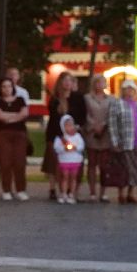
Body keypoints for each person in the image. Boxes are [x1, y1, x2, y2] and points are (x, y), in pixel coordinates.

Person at [43, 71, 87, 201]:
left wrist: (76, 129)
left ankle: (73, 191)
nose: (67, 83)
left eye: (70, 80)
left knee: (75, 163)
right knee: (53, 162)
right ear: (60, 83)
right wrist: (61, 136)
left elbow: (83, 116)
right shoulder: (55, 99)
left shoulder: (78, 97)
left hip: (74, 134)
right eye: (65, 80)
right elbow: (54, 119)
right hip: (56, 134)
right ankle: (53, 189)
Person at [107, 80, 137, 204]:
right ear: (122, 90)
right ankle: (121, 194)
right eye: (127, 89)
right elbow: (112, 124)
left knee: (134, 170)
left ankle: (130, 193)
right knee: (123, 170)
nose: (129, 91)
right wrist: (115, 141)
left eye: (132, 89)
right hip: (124, 143)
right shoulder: (117, 104)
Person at [0, 77, 29, 201]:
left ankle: (21, 190)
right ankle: (6, 190)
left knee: (19, 162)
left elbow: (24, 113)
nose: (7, 89)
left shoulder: (20, 100)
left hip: (19, 134)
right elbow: (0, 115)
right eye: (4, 86)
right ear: (0, 88)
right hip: (4, 134)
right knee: (5, 162)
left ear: (13, 87)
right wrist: (16, 115)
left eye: (9, 86)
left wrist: (10, 117)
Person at [82, 74, 113, 202]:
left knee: (104, 166)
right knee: (92, 164)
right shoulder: (87, 98)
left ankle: (103, 193)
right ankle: (92, 192)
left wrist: (104, 125)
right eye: (97, 82)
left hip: (105, 135)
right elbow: (85, 114)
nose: (100, 85)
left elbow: (111, 115)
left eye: (102, 82)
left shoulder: (111, 99)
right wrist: (93, 126)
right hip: (91, 134)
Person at [52, 114, 86, 203]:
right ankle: (63, 193)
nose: (70, 127)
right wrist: (64, 148)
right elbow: (57, 148)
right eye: (67, 125)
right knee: (65, 177)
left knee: (73, 177)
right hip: (64, 160)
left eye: (71, 125)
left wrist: (75, 147)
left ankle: (71, 193)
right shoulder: (61, 138)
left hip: (75, 160)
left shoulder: (77, 136)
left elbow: (81, 146)